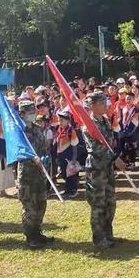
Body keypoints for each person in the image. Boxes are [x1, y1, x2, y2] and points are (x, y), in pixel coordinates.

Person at [82, 91, 126, 249]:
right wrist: (115, 159)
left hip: (107, 168)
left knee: (110, 202)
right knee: (98, 203)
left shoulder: (106, 121)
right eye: (101, 103)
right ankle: (99, 238)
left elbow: (110, 143)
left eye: (105, 102)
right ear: (92, 106)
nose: (105, 105)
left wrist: (113, 160)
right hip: (96, 169)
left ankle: (108, 234)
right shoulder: (88, 125)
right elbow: (96, 148)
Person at [18, 100, 54, 249]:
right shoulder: (18, 132)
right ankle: (30, 236)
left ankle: (37, 232)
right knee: (30, 206)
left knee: (41, 203)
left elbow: (45, 147)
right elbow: (18, 152)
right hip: (27, 174)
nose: (33, 114)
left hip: (40, 173)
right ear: (22, 114)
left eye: (34, 112)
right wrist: (32, 159)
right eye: (30, 112)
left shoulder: (38, 129)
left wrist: (45, 158)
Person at [54, 111, 80, 198]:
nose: (59, 122)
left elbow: (74, 145)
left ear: (68, 121)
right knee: (64, 173)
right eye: (59, 120)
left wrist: (73, 159)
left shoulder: (71, 130)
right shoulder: (59, 129)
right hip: (61, 155)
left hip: (69, 156)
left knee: (71, 174)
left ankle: (73, 190)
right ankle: (67, 190)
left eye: (61, 120)